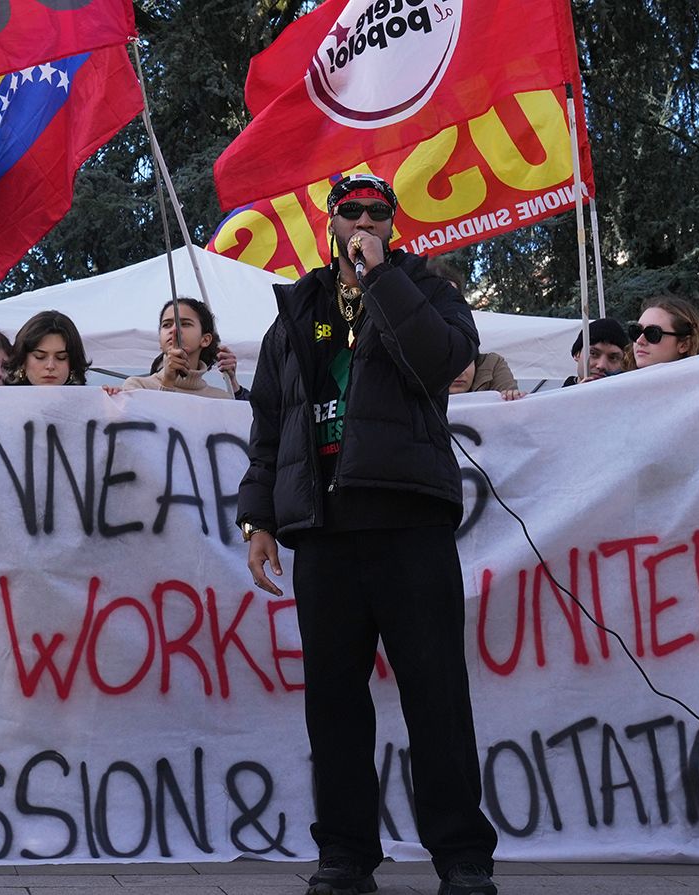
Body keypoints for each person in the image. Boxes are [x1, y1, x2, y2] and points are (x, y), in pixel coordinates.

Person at [237, 173, 497, 895]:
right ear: (328, 219)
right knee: (334, 703)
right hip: (323, 528)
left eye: (376, 213)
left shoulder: (427, 289)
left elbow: (442, 361)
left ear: (393, 222)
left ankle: (463, 855)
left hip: (408, 518)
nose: (362, 221)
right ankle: (346, 854)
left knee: (435, 693)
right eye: (349, 211)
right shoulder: (298, 307)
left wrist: (382, 278)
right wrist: (260, 518)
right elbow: (269, 422)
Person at [121, 298, 239, 399]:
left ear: (205, 339)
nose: (174, 330)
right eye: (166, 325)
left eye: (185, 324)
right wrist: (167, 382)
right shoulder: (137, 386)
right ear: (160, 341)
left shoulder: (221, 399)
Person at [7, 310, 90, 386]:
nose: (50, 366)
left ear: (73, 363)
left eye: (61, 358)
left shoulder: (92, 400)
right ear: (23, 360)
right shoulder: (0, 399)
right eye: (40, 356)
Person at [630, 296, 699, 368]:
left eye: (652, 333)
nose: (639, 341)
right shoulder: (619, 383)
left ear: (684, 345)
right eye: (636, 332)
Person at [562, 318, 633, 386]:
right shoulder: (557, 397)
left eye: (613, 358)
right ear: (577, 354)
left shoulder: (632, 396)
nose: (602, 365)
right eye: (593, 353)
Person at [449, 352, 522, 401]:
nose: (460, 373)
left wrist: (512, 396)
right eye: (449, 364)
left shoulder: (492, 363)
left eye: (466, 362)